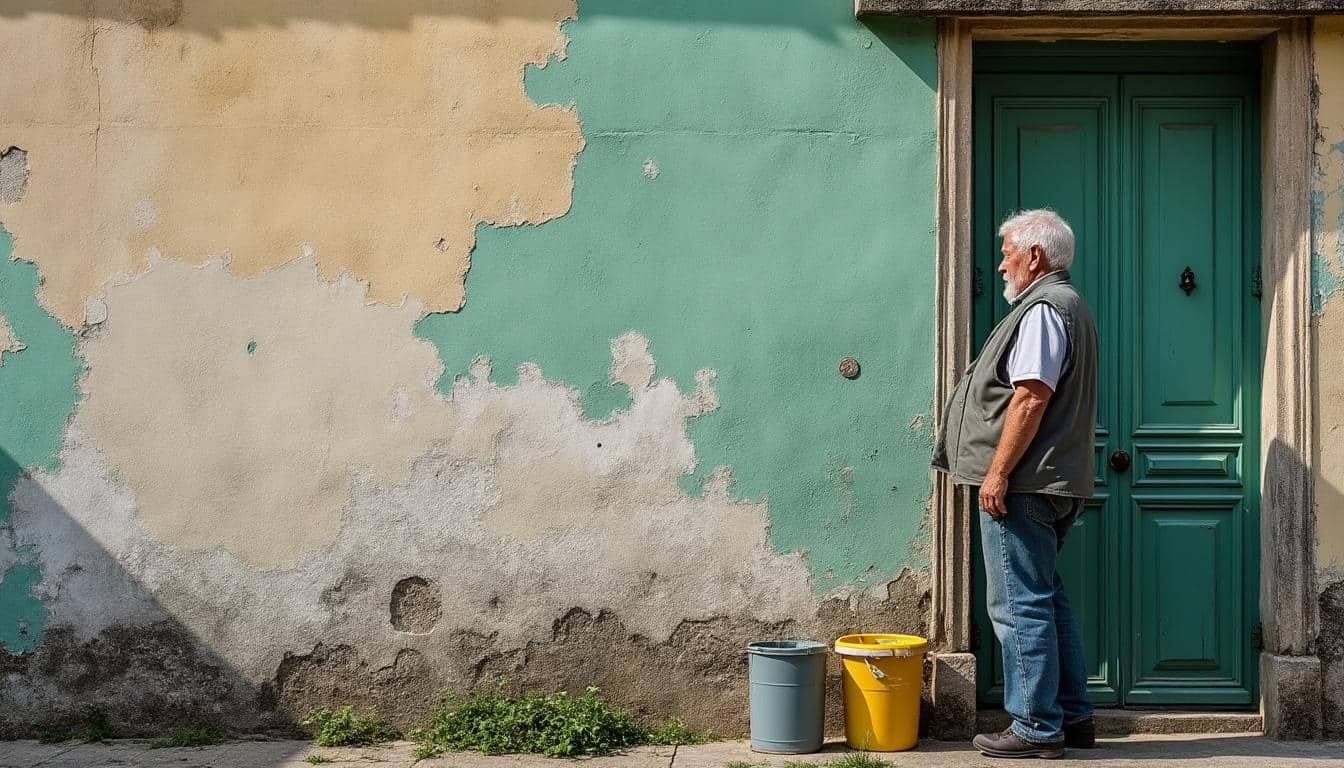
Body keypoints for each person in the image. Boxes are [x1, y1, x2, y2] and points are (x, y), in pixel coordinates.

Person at [932, 209, 1098, 759]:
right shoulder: (1062, 306)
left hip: (1026, 483)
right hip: (1052, 480)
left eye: (1007, 252)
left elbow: (1031, 396)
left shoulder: (1045, 310)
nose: (1001, 263)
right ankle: (1072, 717)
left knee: (1019, 604)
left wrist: (998, 472)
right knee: (1047, 599)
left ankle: (1034, 726)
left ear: (1035, 256)